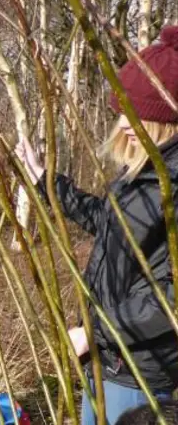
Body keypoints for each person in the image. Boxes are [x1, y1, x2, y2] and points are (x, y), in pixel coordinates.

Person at [17, 25, 178, 425]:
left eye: (136, 113)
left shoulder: (172, 182)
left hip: (140, 364)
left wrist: (95, 332)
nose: (123, 123)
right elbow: (109, 223)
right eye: (121, 110)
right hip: (111, 358)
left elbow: (171, 297)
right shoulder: (141, 170)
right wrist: (46, 184)